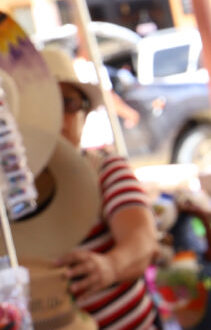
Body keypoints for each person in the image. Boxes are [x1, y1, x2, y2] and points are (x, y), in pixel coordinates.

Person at [42, 48, 161, 330]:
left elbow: (143, 240)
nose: (60, 118)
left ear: (83, 114)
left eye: (69, 104)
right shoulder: (11, 197)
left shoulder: (105, 169)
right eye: (47, 104)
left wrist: (109, 266)